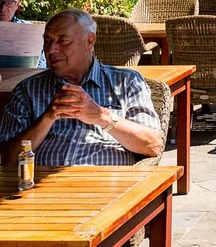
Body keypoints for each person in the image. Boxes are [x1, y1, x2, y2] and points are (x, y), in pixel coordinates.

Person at [0, 9, 163, 166]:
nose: (51, 49)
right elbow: (8, 159)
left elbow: (153, 145)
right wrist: (47, 118)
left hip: (109, 188)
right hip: (42, 189)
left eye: (63, 41)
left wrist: (103, 117)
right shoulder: (28, 90)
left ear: (89, 41)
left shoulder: (126, 82)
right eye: (47, 41)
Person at [0, 0, 45, 68]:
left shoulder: (31, 32)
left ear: (17, 4)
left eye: (10, 3)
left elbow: (41, 67)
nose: (3, 9)